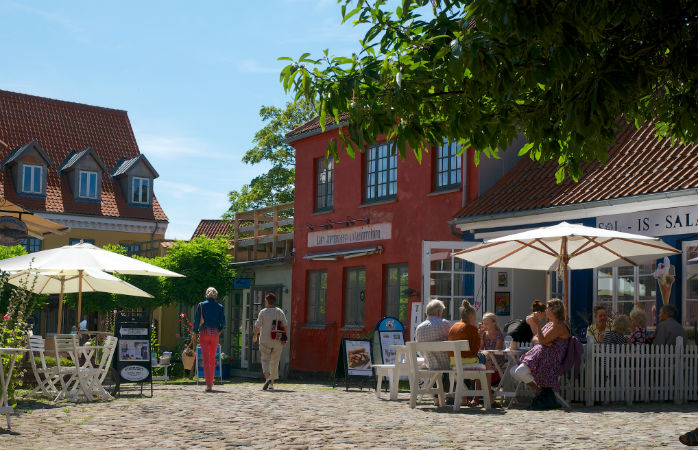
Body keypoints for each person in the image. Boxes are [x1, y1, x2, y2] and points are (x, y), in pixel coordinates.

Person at [510, 298, 570, 410]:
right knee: (513, 371)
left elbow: (541, 340)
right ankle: (541, 391)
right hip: (539, 357)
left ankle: (542, 392)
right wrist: (543, 341)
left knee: (518, 371)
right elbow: (535, 338)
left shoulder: (559, 326)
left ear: (554, 310)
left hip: (549, 360)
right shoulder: (549, 325)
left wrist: (538, 327)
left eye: (547, 308)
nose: (545, 310)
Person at [448, 301, 494, 407]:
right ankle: (489, 399)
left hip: (454, 362)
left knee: (483, 359)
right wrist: (479, 336)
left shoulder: (453, 327)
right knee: (486, 356)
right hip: (467, 361)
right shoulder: (471, 328)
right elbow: (475, 351)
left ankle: (465, 398)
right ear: (471, 316)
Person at [415, 299, 452, 405]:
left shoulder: (419, 328)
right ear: (439, 312)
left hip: (430, 362)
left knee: (438, 370)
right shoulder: (444, 324)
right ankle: (460, 395)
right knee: (456, 364)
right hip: (446, 363)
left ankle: (437, 398)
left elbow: (420, 350)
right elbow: (451, 342)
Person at [193, 287, 226, 392]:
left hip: (204, 333)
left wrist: (195, 332)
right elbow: (223, 322)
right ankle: (211, 381)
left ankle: (208, 384)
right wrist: (219, 331)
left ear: (207, 294)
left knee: (206, 360)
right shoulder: (220, 307)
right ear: (215, 295)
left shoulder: (201, 305)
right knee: (213, 359)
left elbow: (197, 320)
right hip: (215, 334)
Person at [253, 292, 288, 391]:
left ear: (267, 301)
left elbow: (257, 325)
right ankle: (271, 384)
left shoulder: (263, 312)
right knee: (275, 362)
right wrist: (285, 338)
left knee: (265, 360)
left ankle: (267, 377)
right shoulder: (279, 311)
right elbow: (285, 325)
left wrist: (255, 336)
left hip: (265, 340)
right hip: (277, 339)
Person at [479, 312, 505, 384]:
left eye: (487, 323)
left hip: (496, 360)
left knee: (482, 366)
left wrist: (486, 356)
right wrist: (480, 337)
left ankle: (484, 388)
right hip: (487, 358)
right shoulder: (484, 334)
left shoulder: (499, 335)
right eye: (484, 323)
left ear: (494, 323)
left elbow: (496, 351)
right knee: (478, 365)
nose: (484, 326)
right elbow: (480, 349)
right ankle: (481, 389)